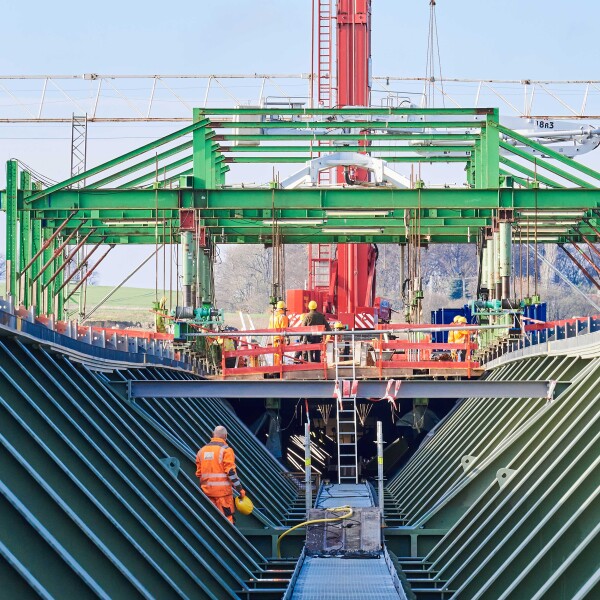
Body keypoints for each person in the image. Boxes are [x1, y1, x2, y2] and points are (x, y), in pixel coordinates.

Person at [196, 426, 245, 524]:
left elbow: (198, 474)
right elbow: (230, 472)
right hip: (223, 494)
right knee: (227, 520)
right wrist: (239, 488)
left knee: (210, 520)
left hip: (207, 493)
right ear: (226, 436)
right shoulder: (226, 450)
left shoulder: (201, 451)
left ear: (213, 434)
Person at [268, 300, 289, 366]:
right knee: (279, 355)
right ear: (283, 309)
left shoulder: (272, 316)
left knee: (275, 354)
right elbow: (284, 330)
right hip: (280, 339)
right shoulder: (283, 317)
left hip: (273, 338)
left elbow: (269, 328)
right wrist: (287, 339)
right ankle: (278, 369)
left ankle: (276, 367)